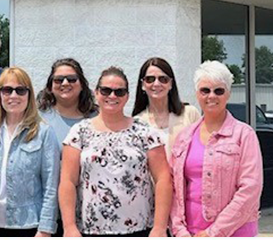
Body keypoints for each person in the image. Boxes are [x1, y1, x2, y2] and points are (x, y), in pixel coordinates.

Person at [58, 67, 172, 237]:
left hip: (139, 230)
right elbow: (67, 181)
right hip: (91, 230)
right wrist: (69, 227)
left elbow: (163, 178)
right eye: (106, 90)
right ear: (96, 93)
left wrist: (160, 227)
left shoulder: (145, 131)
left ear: (127, 96)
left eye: (119, 92)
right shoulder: (79, 132)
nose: (112, 96)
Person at [169, 61, 263, 237]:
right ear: (197, 94)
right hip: (190, 233)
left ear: (228, 94)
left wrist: (214, 233)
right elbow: (173, 187)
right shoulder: (184, 137)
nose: (211, 96)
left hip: (235, 232)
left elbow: (251, 189)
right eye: (205, 90)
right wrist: (179, 230)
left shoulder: (244, 135)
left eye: (218, 90)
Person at [0, 67, 60, 237]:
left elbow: (51, 185)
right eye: (7, 90)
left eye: (20, 90)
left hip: (29, 226)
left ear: (29, 95)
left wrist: (45, 229)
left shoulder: (43, 133)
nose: (13, 96)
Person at [132, 57, 201, 156]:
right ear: (142, 84)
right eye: (150, 79)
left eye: (163, 79)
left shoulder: (190, 114)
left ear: (171, 84)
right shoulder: (137, 123)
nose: (156, 84)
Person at [37, 58, 98, 143]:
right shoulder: (38, 118)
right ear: (50, 87)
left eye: (71, 79)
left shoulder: (97, 118)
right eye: (59, 80)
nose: (65, 83)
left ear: (82, 85)